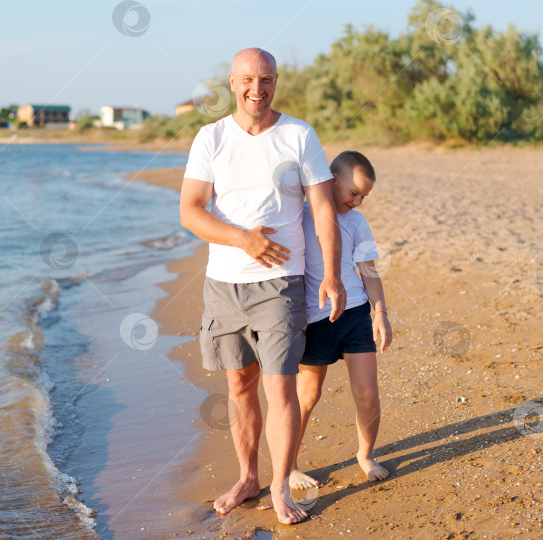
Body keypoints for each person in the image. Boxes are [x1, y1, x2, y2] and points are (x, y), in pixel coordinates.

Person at [180, 47, 345, 525]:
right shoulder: (211, 137)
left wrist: (331, 273)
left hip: (280, 283)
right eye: (249, 79)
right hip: (224, 283)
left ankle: (279, 486)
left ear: (276, 81)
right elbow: (191, 209)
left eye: (267, 78)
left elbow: (323, 210)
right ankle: (248, 476)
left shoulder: (298, 134)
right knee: (238, 385)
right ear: (232, 82)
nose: (258, 88)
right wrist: (242, 239)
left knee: (280, 387)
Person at [289, 150, 393, 491]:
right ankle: (289, 464)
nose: (359, 202)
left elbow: (369, 273)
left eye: (364, 196)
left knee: (367, 395)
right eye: (354, 193)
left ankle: (365, 455)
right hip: (315, 319)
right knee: (307, 395)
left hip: (355, 314)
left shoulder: (356, 223)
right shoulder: (300, 215)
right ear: (333, 180)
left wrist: (380, 314)